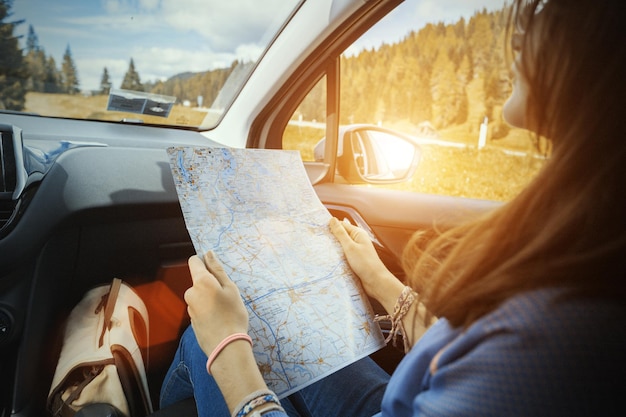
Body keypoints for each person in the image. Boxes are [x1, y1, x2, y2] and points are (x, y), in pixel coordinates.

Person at [160, 0, 626, 415]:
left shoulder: (554, 341)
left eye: (556, 9)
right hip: (417, 393)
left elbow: (493, 362)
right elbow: (463, 355)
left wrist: (229, 349)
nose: (524, 30)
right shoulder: (587, 246)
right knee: (262, 324)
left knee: (214, 342)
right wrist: (381, 281)